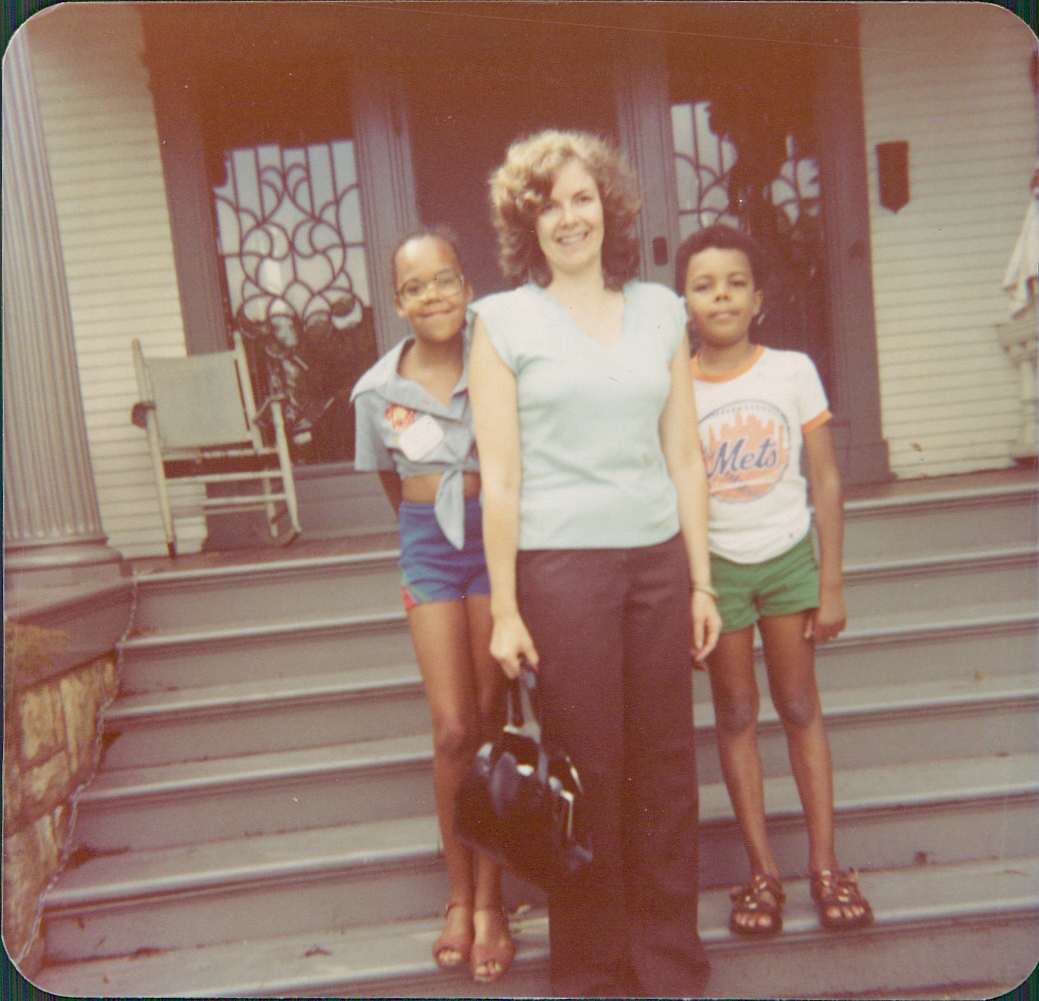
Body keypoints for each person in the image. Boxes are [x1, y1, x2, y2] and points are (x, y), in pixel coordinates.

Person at [467, 130, 721, 998]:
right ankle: (592, 972)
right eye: (548, 205)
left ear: (608, 209)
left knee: (665, 767)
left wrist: (700, 581)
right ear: (525, 224)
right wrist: (505, 607)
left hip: (656, 561)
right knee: (586, 771)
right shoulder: (501, 323)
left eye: (582, 198)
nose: (569, 217)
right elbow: (500, 477)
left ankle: (667, 959)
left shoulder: (660, 312)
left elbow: (683, 456)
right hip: (560, 570)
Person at [676, 223, 874, 937]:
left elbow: (825, 480)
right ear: (684, 302)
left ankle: (825, 865)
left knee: (797, 704)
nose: (721, 296)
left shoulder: (790, 371)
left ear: (758, 298)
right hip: (718, 571)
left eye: (735, 283)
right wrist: (692, 588)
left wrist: (831, 584)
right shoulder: (675, 385)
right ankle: (761, 872)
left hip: (789, 558)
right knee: (735, 713)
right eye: (704, 285)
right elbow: (674, 488)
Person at [350, 228, 514, 982]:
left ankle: (492, 902)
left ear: (467, 286)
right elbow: (393, 483)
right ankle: (458, 895)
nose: (433, 295)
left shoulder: (498, 361)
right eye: (415, 286)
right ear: (398, 302)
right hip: (429, 543)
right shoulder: (377, 392)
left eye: (445, 279)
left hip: (497, 538)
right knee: (452, 727)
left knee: (490, 718)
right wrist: (431, 521)